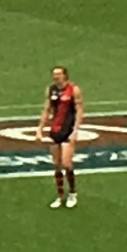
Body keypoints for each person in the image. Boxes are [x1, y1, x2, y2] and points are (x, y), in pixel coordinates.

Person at [38, 64, 81, 209]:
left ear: (64, 75)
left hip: (68, 130)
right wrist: (40, 128)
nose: (56, 76)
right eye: (54, 74)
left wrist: (75, 130)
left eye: (58, 74)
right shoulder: (51, 90)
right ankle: (60, 195)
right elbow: (47, 109)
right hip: (55, 129)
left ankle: (72, 193)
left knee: (66, 163)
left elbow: (79, 111)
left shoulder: (73, 89)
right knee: (56, 165)